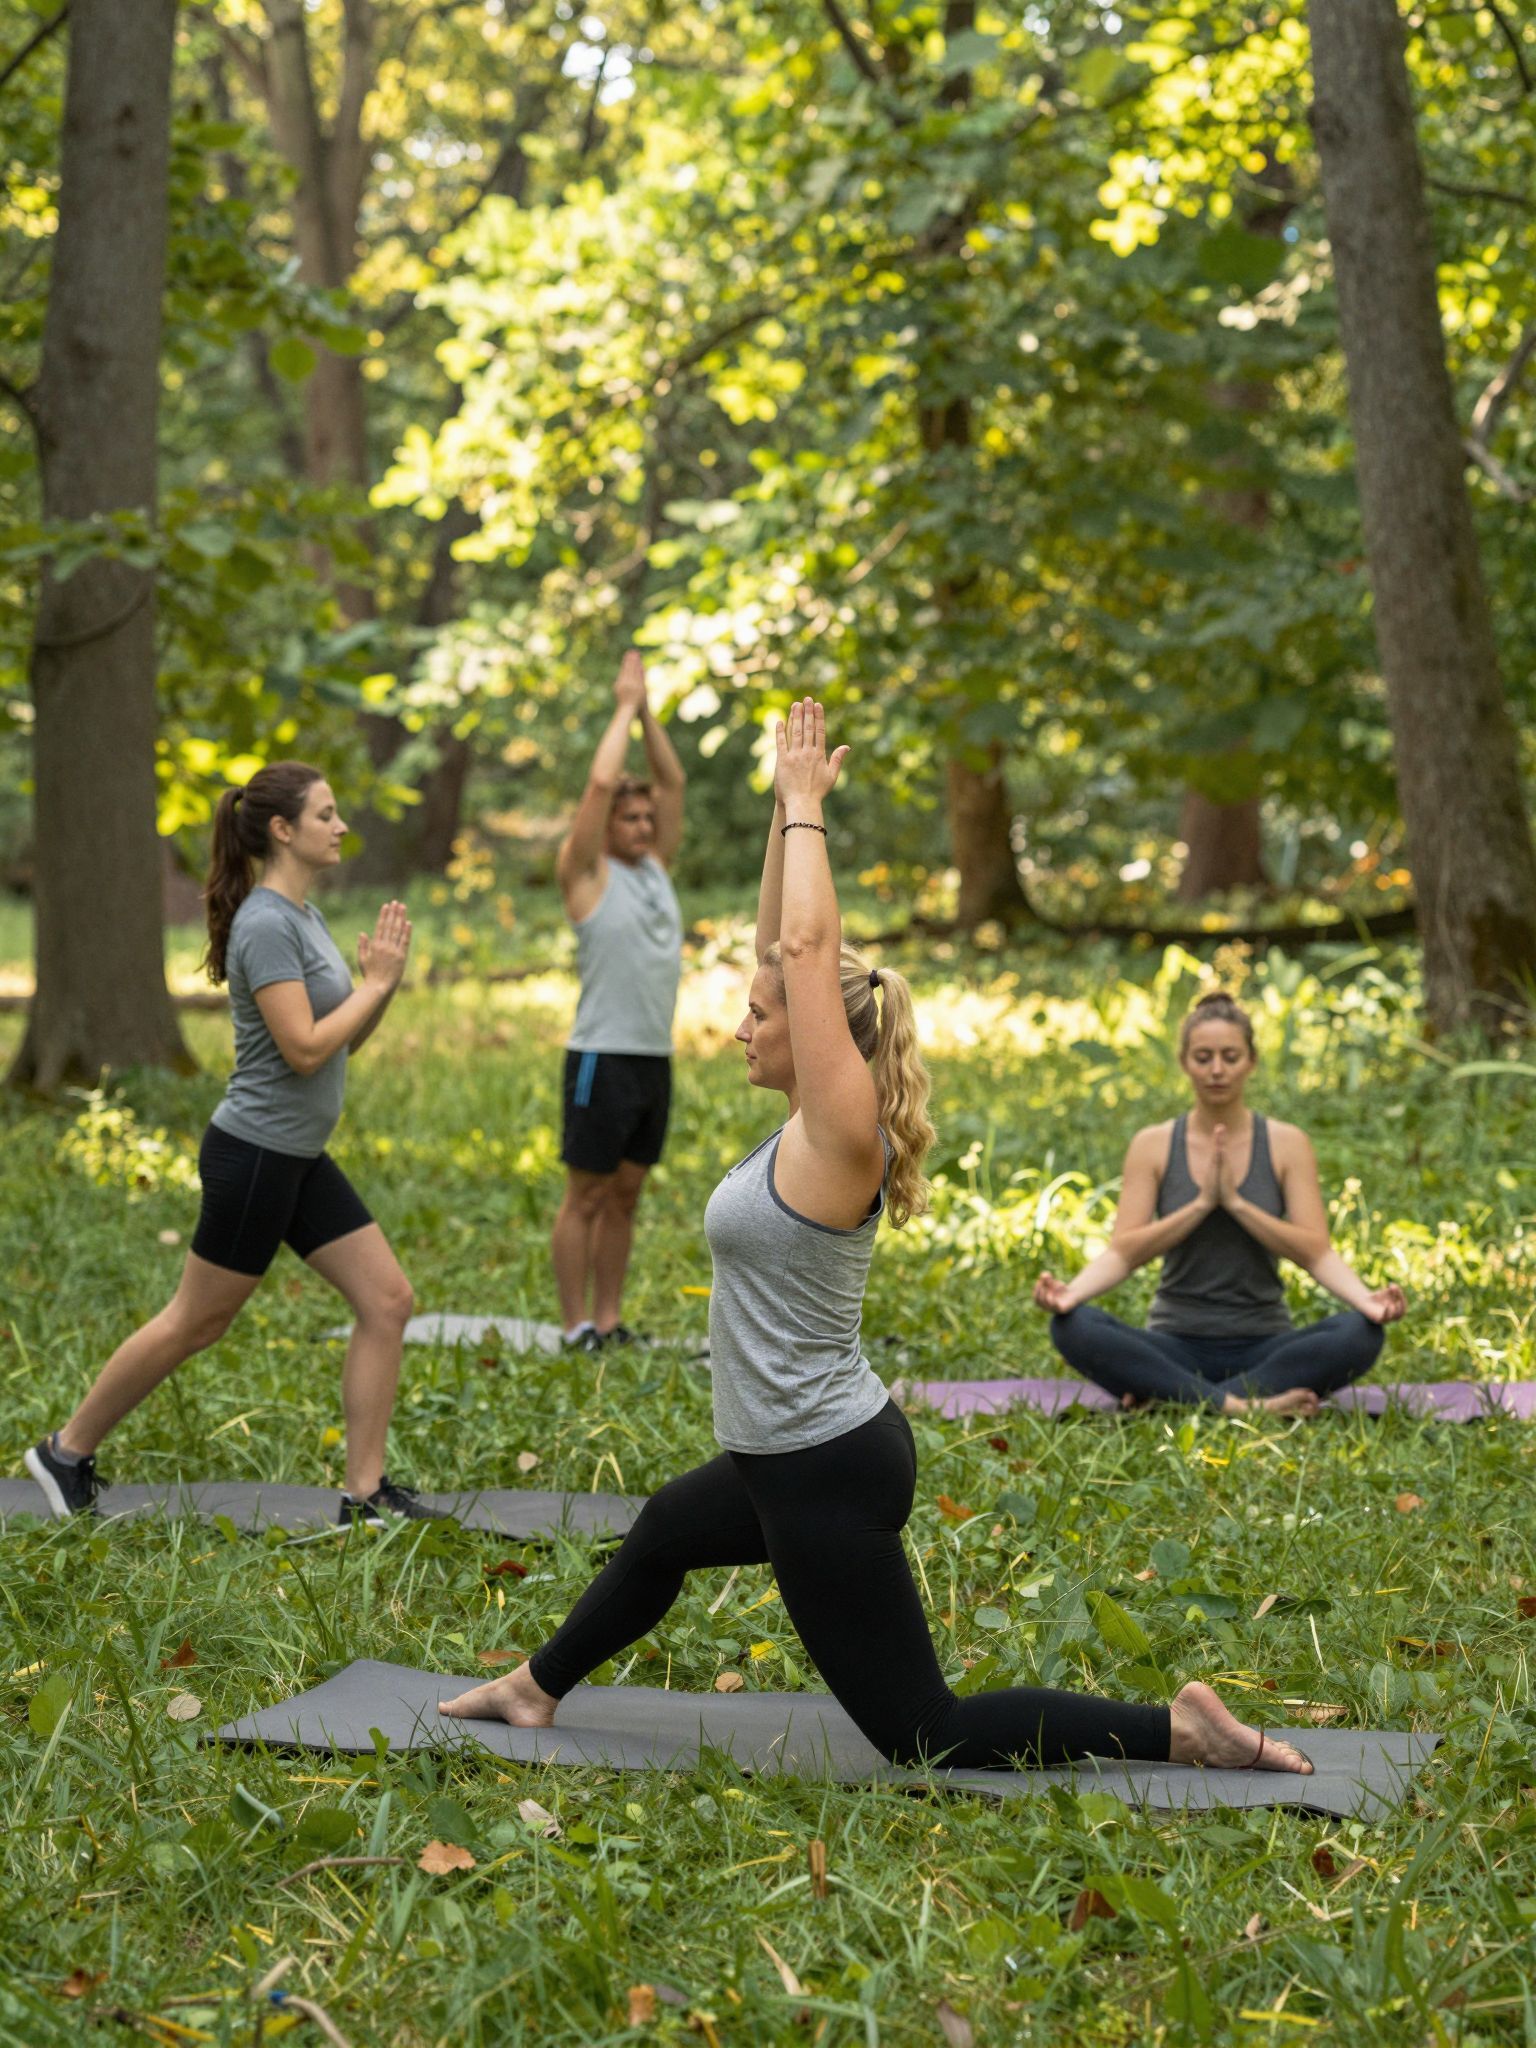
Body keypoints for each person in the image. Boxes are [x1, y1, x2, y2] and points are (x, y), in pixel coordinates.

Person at [438, 703, 1312, 1781]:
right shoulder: (804, 1130)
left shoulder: (838, 1138)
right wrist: (781, 810)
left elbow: (803, 949)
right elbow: (783, 945)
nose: (743, 1024)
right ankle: (534, 1686)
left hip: (823, 1469)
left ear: (818, 1038)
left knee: (923, 1730)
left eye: (763, 1015)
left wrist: (810, 812)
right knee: (667, 1526)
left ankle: (1175, 1728)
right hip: (790, 1450)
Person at [24, 763, 433, 1523]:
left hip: (297, 1155)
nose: (341, 826)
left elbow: (340, 1045)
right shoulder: (268, 925)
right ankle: (64, 1451)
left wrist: (384, 984)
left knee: (387, 1300)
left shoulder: (301, 917)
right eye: (326, 814)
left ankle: (366, 1493)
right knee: (197, 1320)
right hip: (256, 1157)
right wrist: (371, 988)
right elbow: (304, 1048)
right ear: (283, 831)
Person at [1034, 990, 1407, 1416]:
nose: (1216, 1070)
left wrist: (1236, 1203)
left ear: (1251, 1061)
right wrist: (1200, 1204)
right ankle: (1243, 1406)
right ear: (1184, 1062)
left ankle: (1174, 1397)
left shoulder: (1287, 1144)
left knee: (1362, 1333)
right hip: (1173, 1344)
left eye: (1230, 1057)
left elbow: (1316, 1252)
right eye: (1203, 1057)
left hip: (1266, 1346)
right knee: (1073, 1326)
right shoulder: (1152, 1145)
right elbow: (1124, 1252)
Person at [552, 649, 687, 1352]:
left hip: (653, 1059)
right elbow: (603, 778)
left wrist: (651, 709)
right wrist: (624, 706)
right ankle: (575, 1323)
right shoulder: (584, 875)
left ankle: (609, 1319)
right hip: (600, 1056)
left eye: (646, 818)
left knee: (627, 1196)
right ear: (604, 826)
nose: (641, 824)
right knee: (588, 1196)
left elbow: (672, 778)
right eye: (628, 818)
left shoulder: (656, 870)